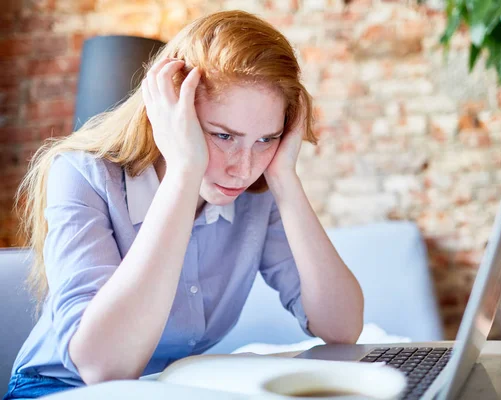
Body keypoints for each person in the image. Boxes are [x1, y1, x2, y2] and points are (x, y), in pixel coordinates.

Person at [4, 10, 364, 399]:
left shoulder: (255, 192)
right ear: (173, 113)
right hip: (57, 388)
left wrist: (284, 178)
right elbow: (103, 368)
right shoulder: (81, 174)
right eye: (223, 135)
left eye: (266, 139)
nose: (243, 169)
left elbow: (343, 328)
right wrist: (183, 170)